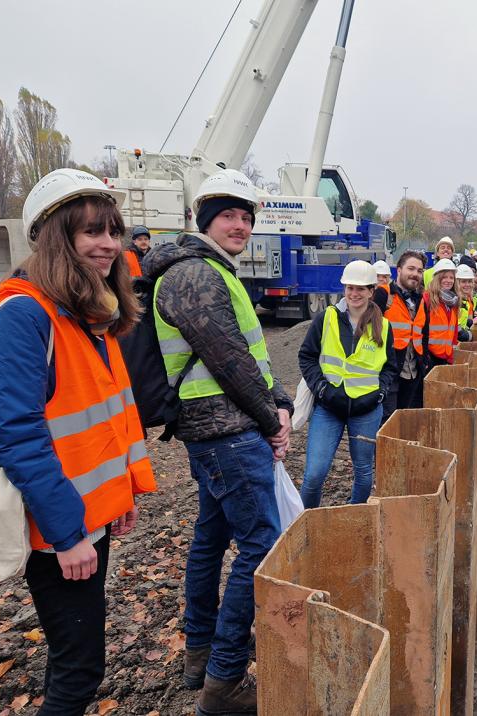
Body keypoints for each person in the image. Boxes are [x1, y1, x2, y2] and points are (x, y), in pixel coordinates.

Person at [0, 168, 154, 715]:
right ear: (56, 237)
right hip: (57, 529)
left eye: (113, 230)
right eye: (92, 231)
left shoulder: (81, 316)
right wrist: (70, 532)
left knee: (76, 660)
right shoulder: (24, 315)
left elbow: (101, 421)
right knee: (78, 670)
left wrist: (115, 498)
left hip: (80, 517)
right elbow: (14, 434)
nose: (109, 245)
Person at [144, 168, 293, 714]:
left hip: (223, 432)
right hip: (226, 436)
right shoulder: (193, 276)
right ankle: (224, 680)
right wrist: (273, 418)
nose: (241, 225)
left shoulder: (210, 271)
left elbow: (250, 355)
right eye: (228, 215)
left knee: (210, 539)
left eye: (247, 217)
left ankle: (201, 651)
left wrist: (277, 400)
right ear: (203, 220)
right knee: (261, 545)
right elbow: (229, 363)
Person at [298, 260, 397, 508]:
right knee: (314, 474)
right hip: (329, 406)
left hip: (366, 409)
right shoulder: (327, 318)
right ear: (344, 288)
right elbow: (307, 356)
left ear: (371, 291)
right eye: (350, 288)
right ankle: (305, 521)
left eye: (361, 289)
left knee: (363, 472)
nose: (355, 294)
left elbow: (389, 367)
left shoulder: (383, 326)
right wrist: (321, 388)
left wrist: (379, 395)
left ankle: (355, 516)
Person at [373, 250, 429, 423]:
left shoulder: (421, 299)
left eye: (419, 271)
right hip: (389, 371)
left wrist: (424, 361)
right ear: (399, 270)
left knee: (403, 421)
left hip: (412, 372)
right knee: (387, 422)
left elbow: (423, 332)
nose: (415, 274)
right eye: (410, 269)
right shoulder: (384, 294)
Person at [424, 258, 460, 368]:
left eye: (451, 277)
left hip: (446, 356)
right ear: (437, 278)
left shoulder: (454, 301)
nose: (448, 280)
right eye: (444, 277)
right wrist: (424, 355)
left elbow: (452, 332)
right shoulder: (427, 299)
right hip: (430, 357)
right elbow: (420, 329)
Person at [455, 263, 477, 341]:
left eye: (469, 282)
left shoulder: (464, 301)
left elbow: (462, 322)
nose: (467, 285)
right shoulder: (454, 301)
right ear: (457, 283)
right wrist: (467, 335)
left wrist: (470, 322)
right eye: (463, 282)